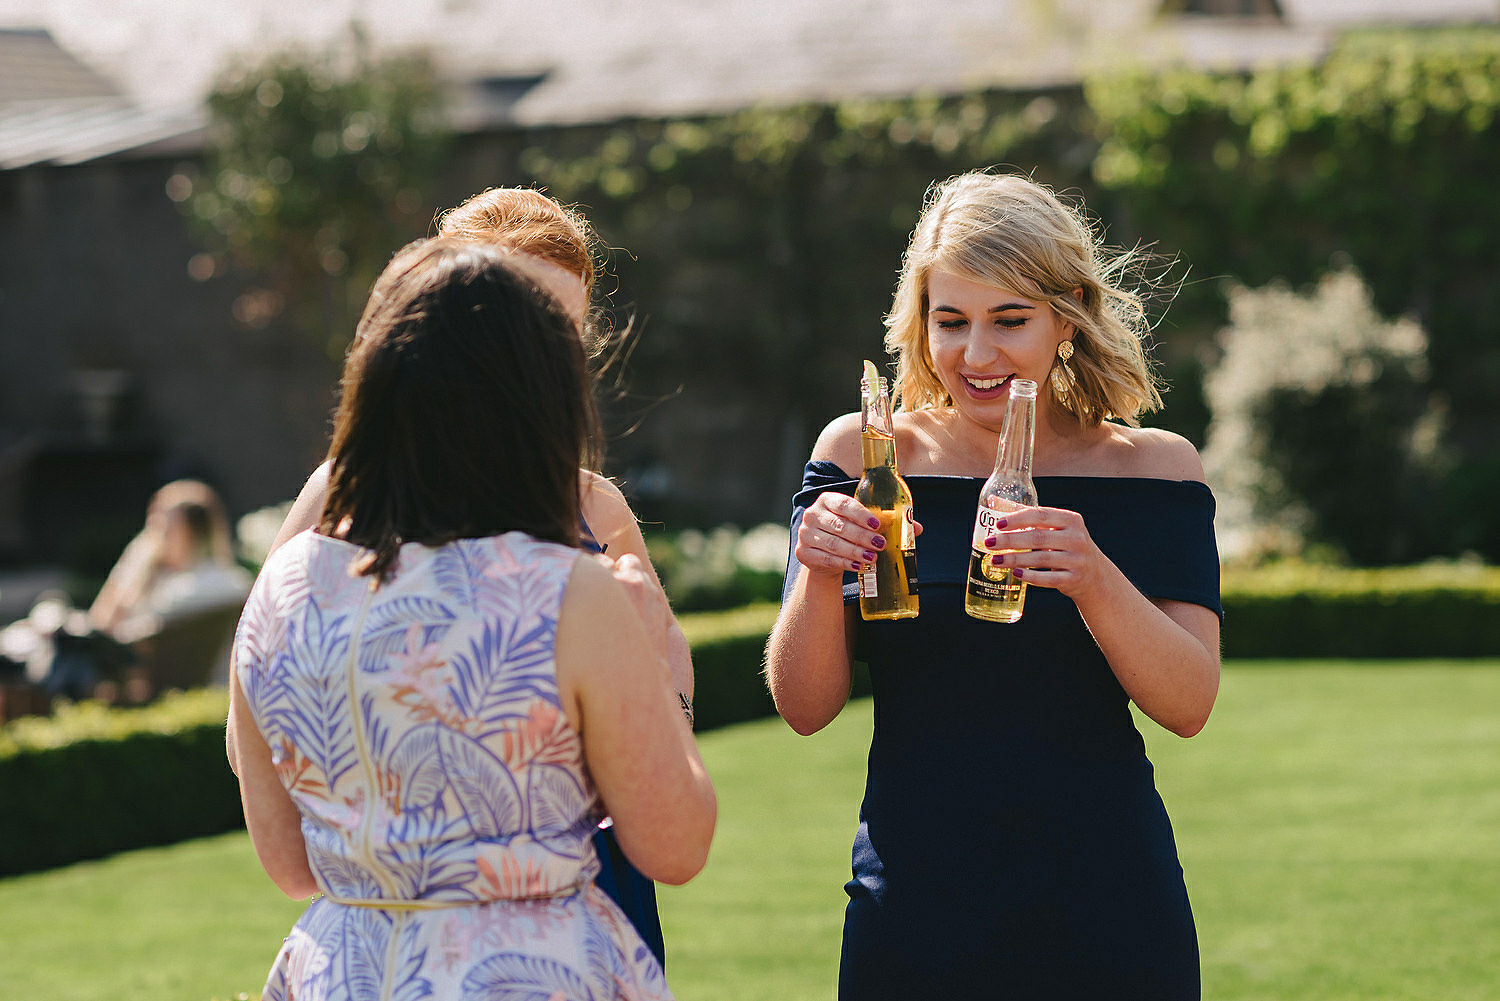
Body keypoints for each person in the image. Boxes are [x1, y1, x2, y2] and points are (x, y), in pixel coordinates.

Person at [766, 171, 1222, 999]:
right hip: (913, 912)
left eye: (1009, 320)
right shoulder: (862, 456)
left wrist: (1092, 577)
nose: (977, 355)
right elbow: (804, 707)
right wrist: (819, 570)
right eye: (952, 321)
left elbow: (1190, 703)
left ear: (1066, 317)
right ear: (921, 322)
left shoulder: (1156, 470)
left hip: (1111, 908)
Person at [228, 238, 716, 1001]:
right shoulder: (568, 593)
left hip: (349, 973)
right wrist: (654, 657)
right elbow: (674, 844)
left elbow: (289, 867)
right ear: (540, 398)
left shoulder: (284, 586)